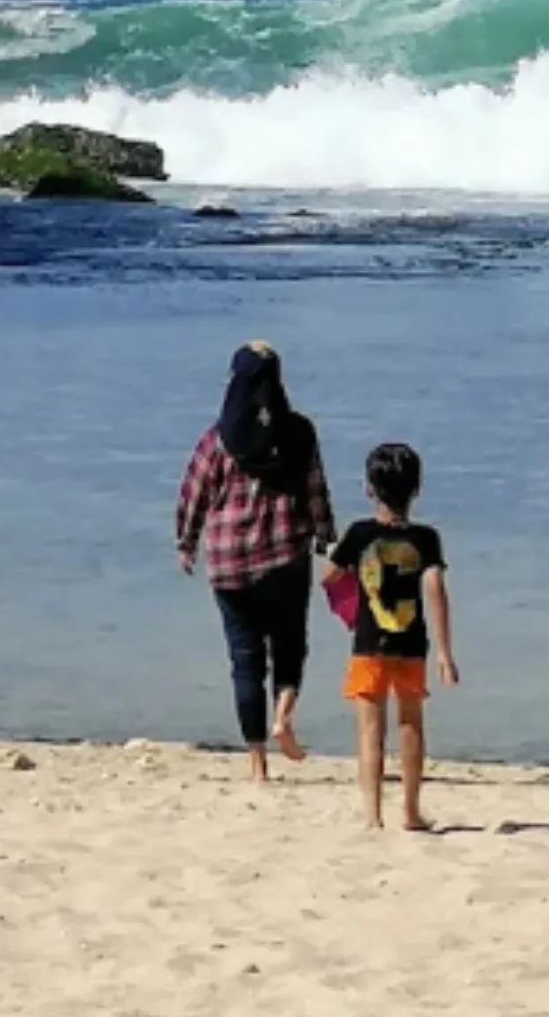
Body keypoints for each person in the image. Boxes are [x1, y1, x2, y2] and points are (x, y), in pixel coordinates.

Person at [176, 341, 335, 782]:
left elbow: (194, 494)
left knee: (245, 660)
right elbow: (316, 491)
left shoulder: (217, 438)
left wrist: (185, 542)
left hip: (229, 564)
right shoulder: (299, 432)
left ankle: (257, 764)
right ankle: (283, 717)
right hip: (286, 556)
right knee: (289, 647)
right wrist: (327, 541)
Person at [324, 441, 459, 830]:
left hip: (369, 644)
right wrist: (445, 652)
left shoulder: (359, 534)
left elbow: (329, 575)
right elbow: (435, 589)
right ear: (416, 490)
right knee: (411, 725)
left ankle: (372, 815)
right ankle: (411, 812)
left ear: (368, 488)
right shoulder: (426, 539)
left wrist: (351, 592)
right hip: (412, 644)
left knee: (369, 730)